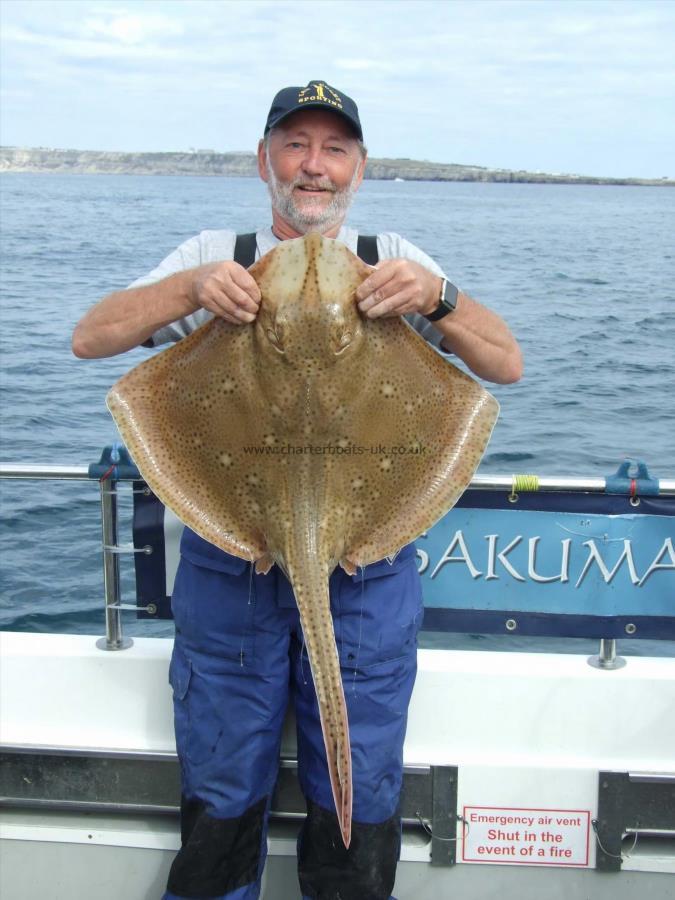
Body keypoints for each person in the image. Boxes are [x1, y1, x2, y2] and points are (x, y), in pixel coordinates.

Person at [73, 80, 522, 900]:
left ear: (357, 168)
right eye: (295, 145)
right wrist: (191, 290)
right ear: (264, 160)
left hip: (365, 572)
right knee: (221, 789)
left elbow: (503, 364)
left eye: (333, 149)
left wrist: (437, 297)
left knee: (360, 788)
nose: (313, 166)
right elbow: (90, 338)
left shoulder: (396, 258)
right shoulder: (215, 250)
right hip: (229, 570)